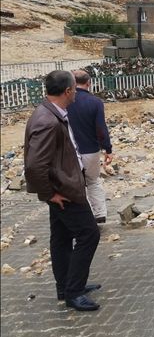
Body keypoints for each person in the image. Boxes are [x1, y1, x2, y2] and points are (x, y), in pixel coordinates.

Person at [24, 70, 101, 311]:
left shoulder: (51, 112)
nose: (76, 94)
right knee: (89, 234)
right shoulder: (47, 120)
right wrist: (49, 194)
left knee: (61, 237)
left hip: (63, 186)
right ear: (68, 91)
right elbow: (34, 165)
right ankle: (74, 291)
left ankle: (65, 286)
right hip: (64, 191)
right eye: (74, 91)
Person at [67, 70, 113, 224]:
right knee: (93, 181)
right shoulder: (95, 102)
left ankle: (79, 217)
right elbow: (101, 129)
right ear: (89, 83)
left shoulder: (65, 102)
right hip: (91, 151)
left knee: (75, 186)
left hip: (69, 153)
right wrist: (108, 149)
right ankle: (99, 213)